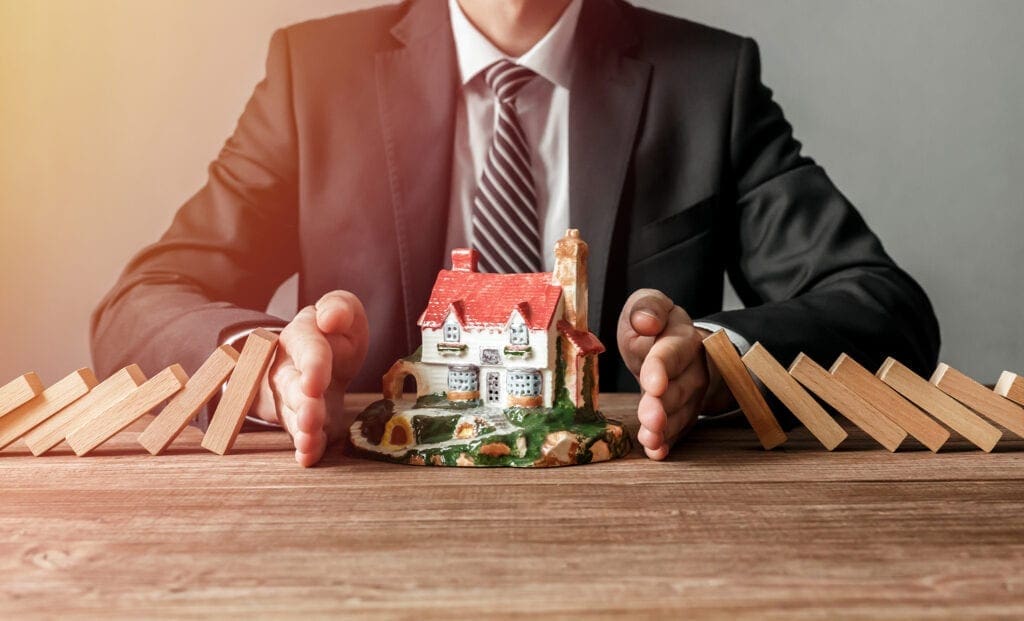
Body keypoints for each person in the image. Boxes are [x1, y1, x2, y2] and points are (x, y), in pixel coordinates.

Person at [91, 0, 940, 466]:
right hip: (357, 546)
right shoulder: (313, 76)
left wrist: (713, 365)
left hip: (651, 551)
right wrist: (272, 364)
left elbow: (884, 308)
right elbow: (139, 306)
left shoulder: (707, 82)